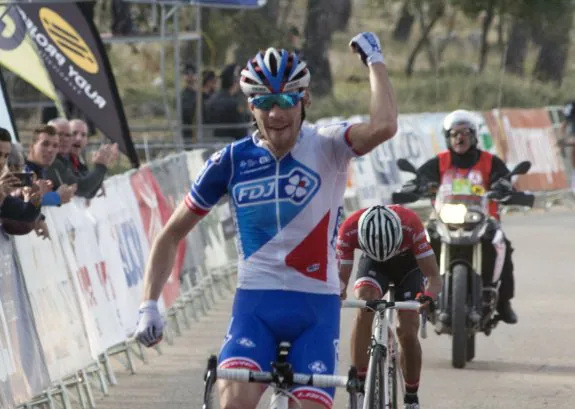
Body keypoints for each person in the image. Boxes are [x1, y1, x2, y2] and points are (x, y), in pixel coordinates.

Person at [134, 31, 399, 409]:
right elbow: (171, 234)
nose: (276, 113)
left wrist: (375, 60)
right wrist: (149, 303)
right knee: (232, 405)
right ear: (250, 105)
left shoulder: (329, 145)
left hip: (316, 311)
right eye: (265, 101)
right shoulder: (230, 161)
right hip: (255, 307)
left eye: (287, 99)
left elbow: (385, 126)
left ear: (304, 99)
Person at [415, 109, 518, 324]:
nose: (459, 138)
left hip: (484, 220)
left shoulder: (490, 161)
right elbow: (421, 178)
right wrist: (419, 185)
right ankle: (421, 293)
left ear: (473, 136)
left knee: (502, 247)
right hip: (444, 218)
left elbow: (504, 178)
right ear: (448, 138)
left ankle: (503, 302)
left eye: (464, 133)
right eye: (454, 134)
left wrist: (503, 185)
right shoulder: (440, 161)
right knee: (422, 244)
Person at [337, 205, 441, 409]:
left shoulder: (411, 225)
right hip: (374, 265)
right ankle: (359, 385)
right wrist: (335, 296)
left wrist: (427, 297)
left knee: (408, 330)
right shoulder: (349, 229)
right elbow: (339, 281)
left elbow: (434, 277)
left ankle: (411, 398)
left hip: (408, 267)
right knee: (365, 304)